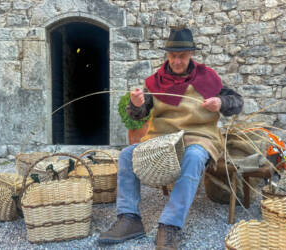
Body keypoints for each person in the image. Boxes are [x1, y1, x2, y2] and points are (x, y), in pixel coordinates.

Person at [98, 28, 244, 249]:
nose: (177, 61)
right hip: (162, 138)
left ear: (191, 54)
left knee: (194, 157)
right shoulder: (155, 81)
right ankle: (129, 219)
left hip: (198, 136)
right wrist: (136, 105)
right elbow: (138, 114)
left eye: (182, 56)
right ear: (167, 55)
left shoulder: (207, 77)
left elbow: (237, 102)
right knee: (127, 155)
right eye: (173, 56)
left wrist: (221, 103)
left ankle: (169, 226)